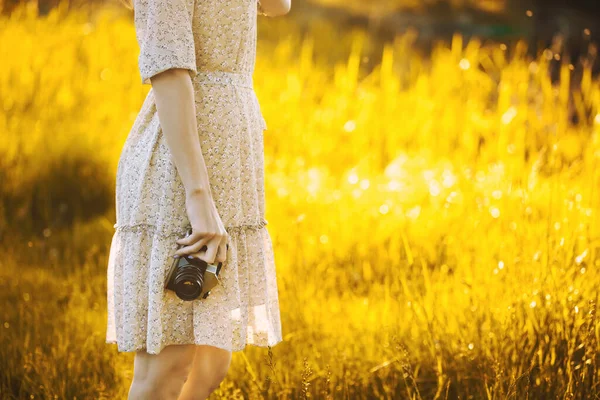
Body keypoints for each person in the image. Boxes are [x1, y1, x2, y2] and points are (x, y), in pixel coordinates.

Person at [105, 0, 290, 398]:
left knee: (210, 364)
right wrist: (198, 196)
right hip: (182, 172)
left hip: (231, 168)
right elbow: (168, 70)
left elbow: (279, 6)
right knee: (167, 366)